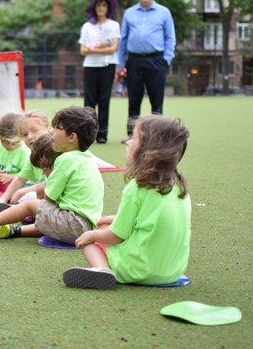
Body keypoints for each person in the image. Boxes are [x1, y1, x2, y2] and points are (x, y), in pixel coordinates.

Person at [63, 115, 190, 290]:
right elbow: (153, 220)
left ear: (149, 151)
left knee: (92, 238)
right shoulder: (178, 186)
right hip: (172, 271)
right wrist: (116, 218)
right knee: (106, 228)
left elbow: (116, 236)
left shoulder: (137, 187)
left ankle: (103, 271)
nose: (128, 142)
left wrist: (91, 235)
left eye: (134, 138)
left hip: (138, 270)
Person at [0, 106, 103, 243]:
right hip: (87, 229)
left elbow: (49, 199)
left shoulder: (65, 159)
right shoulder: (87, 158)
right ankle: (16, 231)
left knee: (31, 205)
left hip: (73, 224)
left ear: (72, 137)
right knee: (49, 217)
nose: (52, 132)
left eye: (57, 128)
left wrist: (35, 197)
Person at [117, 0, 176, 141]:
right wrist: (121, 64)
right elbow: (123, 39)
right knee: (133, 100)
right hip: (134, 61)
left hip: (157, 61)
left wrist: (166, 60)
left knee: (156, 100)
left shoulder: (164, 12)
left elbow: (170, 38)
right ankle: (132, 135)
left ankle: (157, 136)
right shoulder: (129, 13)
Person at [0, 111, 51, 221]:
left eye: (34, 131)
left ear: (48, 128)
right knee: (25, 196)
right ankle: (22, 212)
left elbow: (51, 183)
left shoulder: (55, 152)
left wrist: (22, 191)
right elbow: (19, 179)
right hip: (43, 194)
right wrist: (2, 200)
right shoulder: (33, 155)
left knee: (28, 197)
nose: (30, 137)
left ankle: (21, 212)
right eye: (25, 134)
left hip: (58, 198)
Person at [79, 0, 120, 144]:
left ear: (108, 8)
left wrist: (93, 50)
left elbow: (113, 49)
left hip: (107, 66)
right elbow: (82, 51)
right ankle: (87, 134)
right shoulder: (87, 26)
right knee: (89, 101)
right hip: (90, 66)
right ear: (94, 8)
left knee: (104, 100)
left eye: (104, 5)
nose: (101, 8)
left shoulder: (114, 25)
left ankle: (102, 134)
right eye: (98, 5)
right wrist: (95, 49)